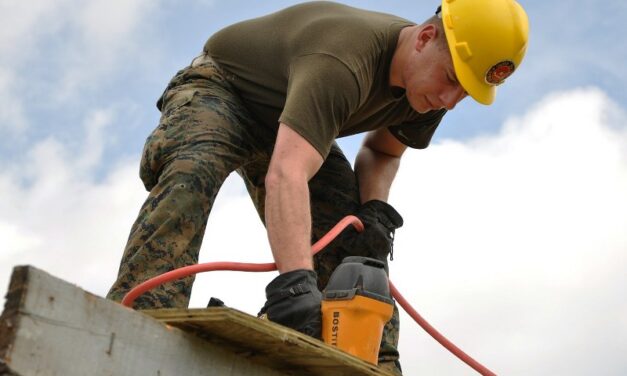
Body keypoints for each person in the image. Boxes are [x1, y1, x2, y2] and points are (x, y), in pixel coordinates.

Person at [107, 0, 529, 374]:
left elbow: (383, 153)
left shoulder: (429, 89)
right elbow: (286, 175)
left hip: (291, 123)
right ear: (425, 38)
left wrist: (374, 209)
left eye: (467, 92)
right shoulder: (343, 61)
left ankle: (375, 363)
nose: (451, 100)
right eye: (452, 80)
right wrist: (295, 284)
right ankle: (139, 314)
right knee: (192, 174)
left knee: (355, 239)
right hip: (224, 90)